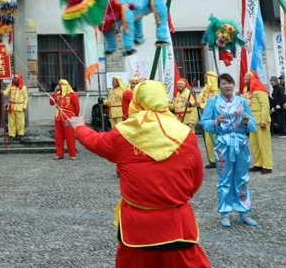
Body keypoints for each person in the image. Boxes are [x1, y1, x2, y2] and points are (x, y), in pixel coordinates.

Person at [68, 81, 210, 267]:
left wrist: (79, 126)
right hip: (177, 222)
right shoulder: (186, 135)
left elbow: (94, 140)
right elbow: (196, 179)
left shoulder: (122, 135)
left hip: (137, 225)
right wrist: (174, 198)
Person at [200, 72, 260, 228]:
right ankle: (225, 212)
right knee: (224, 179)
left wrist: (246, 122)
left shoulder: (242, 101)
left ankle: (244, 211)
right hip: (223, 144)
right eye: (224, 83)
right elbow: (204, 123)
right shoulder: (213, 102)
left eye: (230, 83)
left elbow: (253, 125)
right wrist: (216, 122)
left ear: (234, 85)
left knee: (242, 178)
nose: (227, 86)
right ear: (219, 86)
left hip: (240, 143)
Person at [242, 71, 273, 173]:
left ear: (252, 77)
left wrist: (264, 120)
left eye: (246, 76)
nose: (244, 78)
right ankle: (258, 163)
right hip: (251, 120)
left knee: (264, 143)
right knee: (253, 143)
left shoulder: (260, 89)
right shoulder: (246, 90)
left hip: (260, 119)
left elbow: (265, 105)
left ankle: (267, 165)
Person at [50, 79, 80, 160]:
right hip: (58, 116)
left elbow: (77, 108)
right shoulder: (57, 94)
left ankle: (72, 154)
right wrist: (54, 92)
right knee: (58, 136)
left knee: (70, 136)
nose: (59, 87)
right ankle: (59, 154)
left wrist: (75, 118)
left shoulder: (73, 95)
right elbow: (51, 103)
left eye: (60, 85)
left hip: (68, 117)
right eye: (58, 85)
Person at [196, 71, 220, 169]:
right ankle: (212, 160)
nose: (205, 79)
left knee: (215, 139)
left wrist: (201, 105)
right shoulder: (205, 89)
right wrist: (198, 102)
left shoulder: (216, 91)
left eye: (206, 78)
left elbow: (212, 105)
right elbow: (199, 98)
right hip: (207, 118)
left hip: (215, 118)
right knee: (208, 140)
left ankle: (219, 158)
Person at [3, 73, 28, 140]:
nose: (15, 79)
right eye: (14, 78)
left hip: (20, 106)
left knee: (20, 122)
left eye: (16, 78)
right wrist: (3, 92)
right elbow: (6, 92)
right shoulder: (10, 86)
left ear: (19, 79)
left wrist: (24, 106)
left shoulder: (23, 87)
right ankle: (12, 135)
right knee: (11, 122)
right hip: (11, 106)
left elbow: (26, 98)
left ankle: (20, 134)